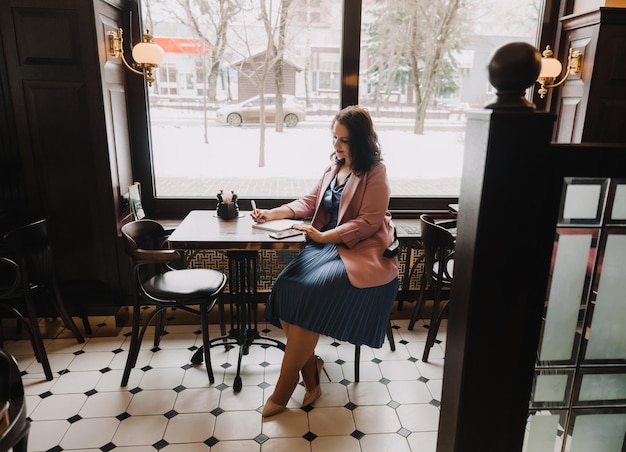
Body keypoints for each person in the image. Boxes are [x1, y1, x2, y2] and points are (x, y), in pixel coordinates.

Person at [251, 105, 399, 418]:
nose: (336, 145)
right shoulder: (334, 167)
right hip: (325, 245)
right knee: (287, 286)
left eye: (343, 140)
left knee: (310, 294)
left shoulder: (376, 172)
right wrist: (272, 213)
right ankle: (311, 371)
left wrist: (320, 237)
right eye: (334, 138)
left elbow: (369, 222)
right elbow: (309, 202)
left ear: (360, 141)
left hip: (360, 249)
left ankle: (284, 387)